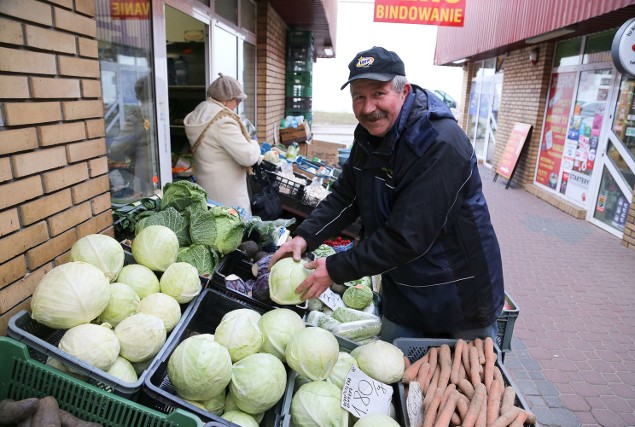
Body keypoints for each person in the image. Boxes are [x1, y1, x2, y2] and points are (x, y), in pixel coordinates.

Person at [269, 47, 505, 343]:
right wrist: (304, 237)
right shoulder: (369, 136)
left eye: (378, 94)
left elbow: (408, 236)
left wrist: (336, 268)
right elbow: (346, 196)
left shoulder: (439, 144)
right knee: (395, 373)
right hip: (404, 286)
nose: (368, 108)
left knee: (464, 379)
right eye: (359, 96)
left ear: (403, 91)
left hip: (457, 295)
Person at [184, 72, 261, 214]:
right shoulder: (223, 121)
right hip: (228, 195)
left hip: (207, 187)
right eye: (238, 100)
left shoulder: (200, 111)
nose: (238, 104)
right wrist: (255, 144)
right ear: (226, 99)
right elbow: (248, 156)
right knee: (233, 231)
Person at [108, 74, 157, 197]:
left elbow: (117, 149)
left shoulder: (138, 115)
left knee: (149, 201)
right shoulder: (163, 108)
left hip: (146, 173)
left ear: (139, 94)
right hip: (161, 169)